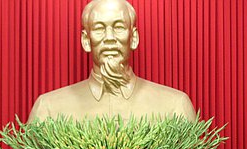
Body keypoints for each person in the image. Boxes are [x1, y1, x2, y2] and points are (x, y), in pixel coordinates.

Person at [28, 0, 196, 122]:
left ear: (134, 37)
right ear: (86, 40)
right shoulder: (48, 109)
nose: (109, 38)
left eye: (119, 27)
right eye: (99, 28)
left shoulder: (175, 107)